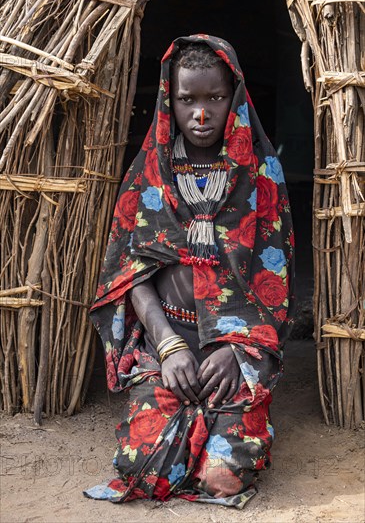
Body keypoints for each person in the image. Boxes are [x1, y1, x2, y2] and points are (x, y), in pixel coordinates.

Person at [84, 34, 295, 509]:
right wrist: (170, 345)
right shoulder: (148, 176)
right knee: (141, 471)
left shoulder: (262, 177)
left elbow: (276, 285)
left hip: (236, 350)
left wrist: (235, 347)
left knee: (221, 481)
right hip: (168, 343)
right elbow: (128, 273)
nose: (201, 114)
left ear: (235, 97)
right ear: (169, 100)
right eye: (187, 100)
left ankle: (233, 430)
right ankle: (202, 427)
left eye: (215, 98)